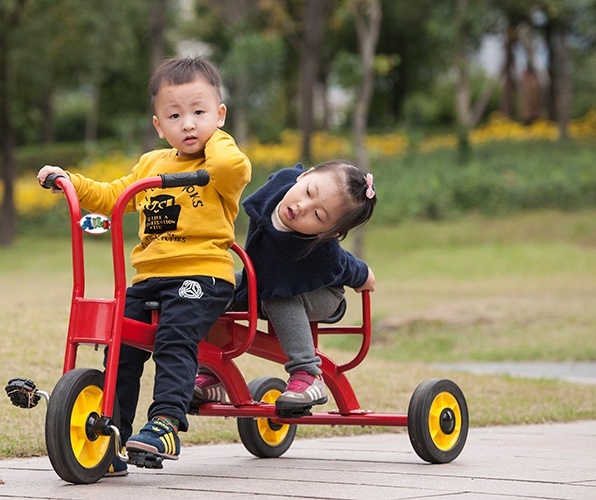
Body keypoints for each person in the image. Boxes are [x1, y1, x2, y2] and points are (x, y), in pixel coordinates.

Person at [38, 56, 251, 474]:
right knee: (121, 346)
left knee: (174, 337)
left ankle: (167, 421)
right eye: (175, 115)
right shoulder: (152, 164)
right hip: (150, 279)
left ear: (220, 115)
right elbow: (111, 195)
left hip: (202, 275)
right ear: (158, 125)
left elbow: (229, 164)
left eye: (199, 112)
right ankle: (112, 435)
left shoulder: (220, 167)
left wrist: (217, 138)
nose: (188, 124)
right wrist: (70, 180)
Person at [193, 160, 376, 412]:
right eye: (309, 192)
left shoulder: (324, 250)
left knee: (279, 297)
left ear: (330, 233)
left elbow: (344, 265)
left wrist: (364, 275)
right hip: (264, 280)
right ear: (304, 176)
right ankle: (211, 373)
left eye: (318, 216)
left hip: (320, 294)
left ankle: (308, 374)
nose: (302, 206)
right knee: (215, 283)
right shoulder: (278, 187)